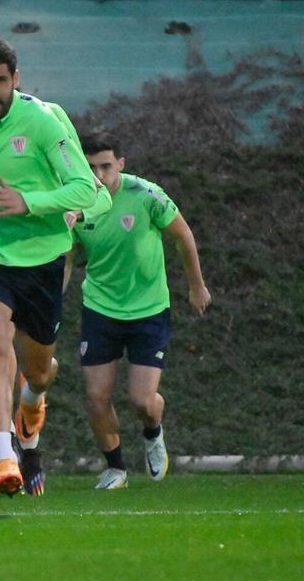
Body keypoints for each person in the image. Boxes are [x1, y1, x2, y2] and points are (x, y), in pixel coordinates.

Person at [0, 36, 104, 498]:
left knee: (38, 371)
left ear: (15, 80)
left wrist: (29, 203)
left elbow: (85, 189)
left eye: (1, 81)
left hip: (40, 259)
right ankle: (4, 457)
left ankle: (32, 405)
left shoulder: (39, 120)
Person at [65, 130, 210, 490]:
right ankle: (116, 469)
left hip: (148, 310)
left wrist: (196, 286)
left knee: (142, 401)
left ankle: (153, 432)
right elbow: (66, 258)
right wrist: (52, 299)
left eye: (106, 166)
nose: (99, 176)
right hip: (100, 309)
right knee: (97, 396)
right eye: (91, 167)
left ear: (121, 164)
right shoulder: (75, 205)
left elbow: (183, 235)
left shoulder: (146, 195)